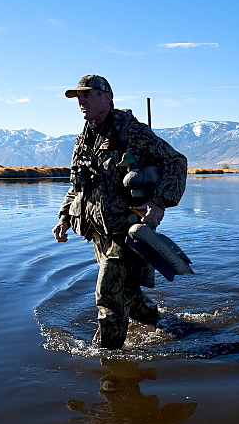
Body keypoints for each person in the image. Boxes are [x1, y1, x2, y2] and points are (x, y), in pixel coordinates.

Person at [52, 75, 187, 349]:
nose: (81, 101)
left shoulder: (132, 132)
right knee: (127, 294)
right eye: (78, 97)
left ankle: (108, 363)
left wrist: (159, 202)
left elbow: (176, 161)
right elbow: (78, 184)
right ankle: (165, 323)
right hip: (98, 231)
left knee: (108, 298)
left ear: (107, 97)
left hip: (126, 232)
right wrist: (64, 217)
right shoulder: (85, 138)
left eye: (87, 94)